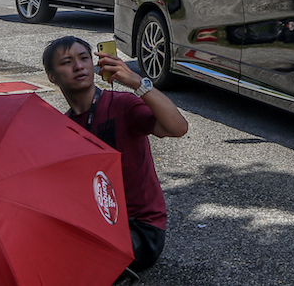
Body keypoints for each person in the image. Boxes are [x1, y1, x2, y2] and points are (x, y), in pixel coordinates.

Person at [43, 36, 189, 275]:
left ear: (95, 64)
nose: (79, 66)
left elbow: (178, 128)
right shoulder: (64, 127)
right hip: (95, 225)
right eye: (67, 62)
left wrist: (137, 83)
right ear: (52, 77)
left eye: (84, 59)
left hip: (140, 228)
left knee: (76, 264)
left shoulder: (122, 104)